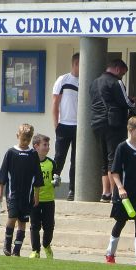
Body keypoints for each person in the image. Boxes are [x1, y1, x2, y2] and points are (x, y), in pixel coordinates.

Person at [105, 116, 136, 266]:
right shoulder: (122, 148)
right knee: (120, 222)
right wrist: (120, 188)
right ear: (130, 130)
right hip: (124, 195)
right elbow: (115, 171)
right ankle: (110, 254)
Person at [90, 58, 136, 202]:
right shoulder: (116, 82)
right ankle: (115, 193)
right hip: (113, 124)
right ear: (117, 69)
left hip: (96, 123)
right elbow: (127, 103)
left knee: (104, 159)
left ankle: (106, 193)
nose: (122, 76)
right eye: (122, 73)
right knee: (114, 158)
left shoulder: (94, 82)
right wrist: (133, 101)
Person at [0, 123, 43, 257]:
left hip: (27, 195)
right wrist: (0, 192)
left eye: (28, 140)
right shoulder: (11, 153)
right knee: (12, 217)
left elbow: (37, 176)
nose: (25, 142)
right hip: (13, 194)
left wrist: (36, 195)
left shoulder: (33, 154)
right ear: (17, 136)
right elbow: (3, 173)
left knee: (22, 222)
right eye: (23, 139)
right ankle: (7, 244)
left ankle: (17, 249)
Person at [51, 52, 79, 201]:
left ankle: (72, 190)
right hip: (64, 124)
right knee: (59, 157)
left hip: (79, 127)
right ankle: (50, 185)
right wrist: (56, 125)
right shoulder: (63, 80)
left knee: (75, 160)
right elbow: (55, 103)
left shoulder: (84, 81)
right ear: (76, 64)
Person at [28, 133, 57, 259]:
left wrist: (56, 182)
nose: (47, 147)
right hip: (34, 200)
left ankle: (46, 245)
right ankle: (35, 250)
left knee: (49, 226)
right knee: (35, 225)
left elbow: (54, 178)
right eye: (44, 145)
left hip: (48, 200)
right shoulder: (29, 162)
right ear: (36, 146)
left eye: (48, 145)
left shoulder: (51, 163)